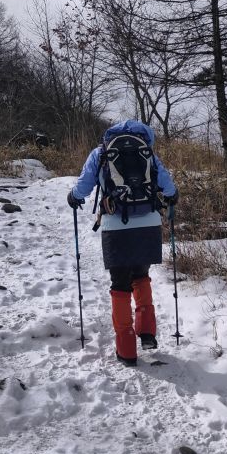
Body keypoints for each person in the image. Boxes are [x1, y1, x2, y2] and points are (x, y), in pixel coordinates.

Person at [67, 119, 178, 366]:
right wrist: (171, 197)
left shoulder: (101, 153)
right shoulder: (147, 151)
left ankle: (127, 348)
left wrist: (73, 197)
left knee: (120, 283)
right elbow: (168, 185)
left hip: (116, 226)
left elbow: (84, 186)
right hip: (148, 223)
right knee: (141, 275)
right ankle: (147, 332)